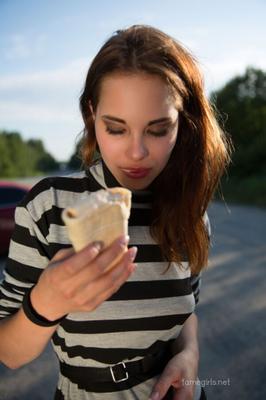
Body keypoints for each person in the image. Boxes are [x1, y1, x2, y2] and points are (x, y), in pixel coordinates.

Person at [0, 25, 230, 400]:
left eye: (158, 129)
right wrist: (46, 303)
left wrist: (190, 354)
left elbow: (187, 309)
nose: (136, 153)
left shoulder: (191, 215)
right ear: (92, 114)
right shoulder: (49, 207)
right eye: (116, 128)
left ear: (182, 122)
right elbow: (8, 353)